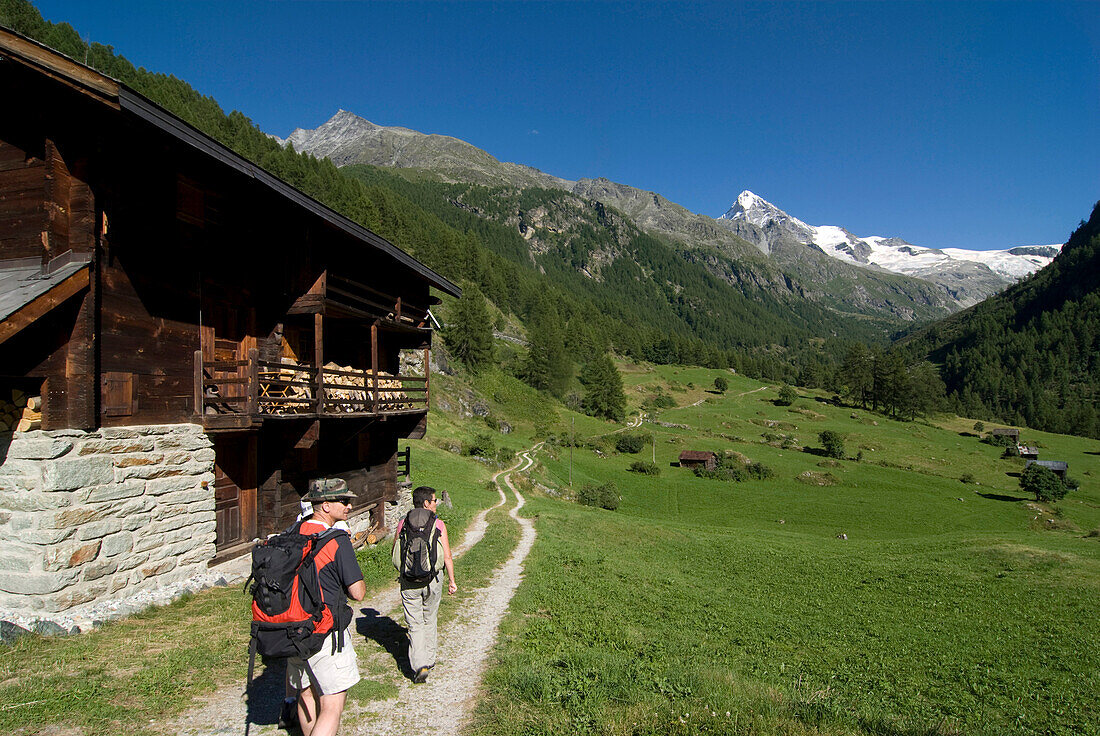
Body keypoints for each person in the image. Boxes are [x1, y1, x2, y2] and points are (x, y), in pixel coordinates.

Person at [286, 478, 366, 736]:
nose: (348, 506)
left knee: (305, 694)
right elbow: (358, 593)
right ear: (324, 505)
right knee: (332, 704)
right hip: (324, 630)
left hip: (291, 627)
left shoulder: (292, 533)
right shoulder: (336, 539)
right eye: (343, 501)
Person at [391, 485, 457, 683]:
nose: (436, 503)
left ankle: (420, 664)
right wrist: (452, 581)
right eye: (434, 500)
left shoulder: (403, 522)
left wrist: (403, 572)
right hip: (433, 579)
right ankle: (429, 659)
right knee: (430, 618)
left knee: (414, 623)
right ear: (427, 503)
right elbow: (447, 556)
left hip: (408, 580)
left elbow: (395, 551)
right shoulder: (438, 524)